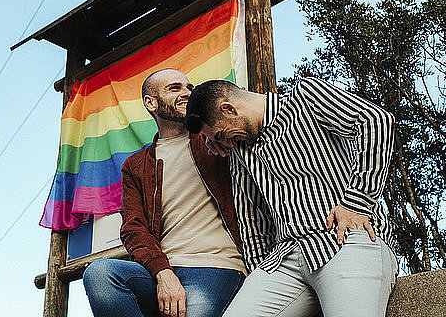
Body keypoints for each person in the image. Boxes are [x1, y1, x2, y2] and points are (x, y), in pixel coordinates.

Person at [184, 77, 398, 317]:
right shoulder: (240, 148)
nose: (225, 144)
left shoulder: (305, 97)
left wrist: (356, 203)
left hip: (345, 241)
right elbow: (250, 216)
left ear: (229, 109)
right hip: (284, 260)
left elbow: (375, 121)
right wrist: (260, 270)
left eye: (221, 134)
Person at [83, 69, 271, 317]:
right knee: (99, 274)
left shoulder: (219, 138)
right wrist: (162, 272)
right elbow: (133, 227)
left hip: (216, 266)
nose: (186, 93)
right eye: (174, 88)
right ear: (150, 103)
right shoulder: (136, 165)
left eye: (189, 87)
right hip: (161, 271)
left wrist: (212, 134)